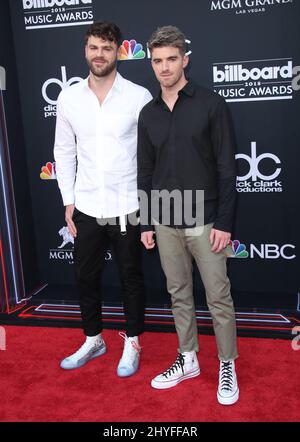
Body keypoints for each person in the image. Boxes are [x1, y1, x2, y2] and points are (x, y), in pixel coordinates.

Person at [137, 26, 239, 404]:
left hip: (206, 221)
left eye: (171, 59)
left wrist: (225, 223)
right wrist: (146, 221)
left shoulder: (210, 104)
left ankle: (227, 364)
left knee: (218, 297)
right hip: (163, 221)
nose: (164, 67)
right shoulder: (147, 114)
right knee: (178, 293)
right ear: (152, 63)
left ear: (185, 60)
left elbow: (228, 169)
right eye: (157, 60)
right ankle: (188, 358)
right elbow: (145, 171)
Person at [54, 21, 152, 377]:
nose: (99, 54)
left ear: (118, 53)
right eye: (94, 47)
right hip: (86, 206)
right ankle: (93, 338)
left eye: (107, 48)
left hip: (126, 204)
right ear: (86, 50)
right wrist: (68, 200)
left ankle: (133, 342)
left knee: (130, 277)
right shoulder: (68, 98)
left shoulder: (138, 96)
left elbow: (149, 156)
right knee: (85, 276)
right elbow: (63, 152)